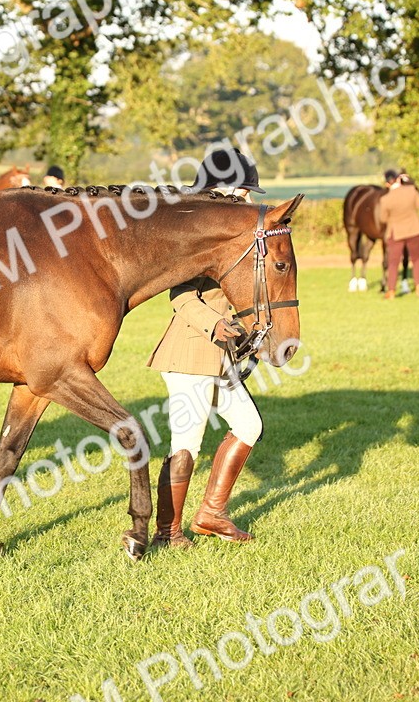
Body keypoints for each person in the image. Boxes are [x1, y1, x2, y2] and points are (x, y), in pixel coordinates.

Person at [146, 150, 267, 547]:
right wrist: (215, 323)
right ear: (225, 191)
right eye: (244, 191)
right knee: (186, 443)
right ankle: (167, 532)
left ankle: (211, 515)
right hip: (190, 352)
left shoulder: (231, 237)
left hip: (221, 356)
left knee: (250, 425)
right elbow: (180, 297)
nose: (249, 200)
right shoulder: (195, 238)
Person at [377, 169, 419, 299]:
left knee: (393, 262)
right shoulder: (411, 191)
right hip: (414, 229)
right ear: (398, 179)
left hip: (396, 232)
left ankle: (391, 291)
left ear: (387, 183)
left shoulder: (385, 199)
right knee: (416, 259)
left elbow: (382, 218)